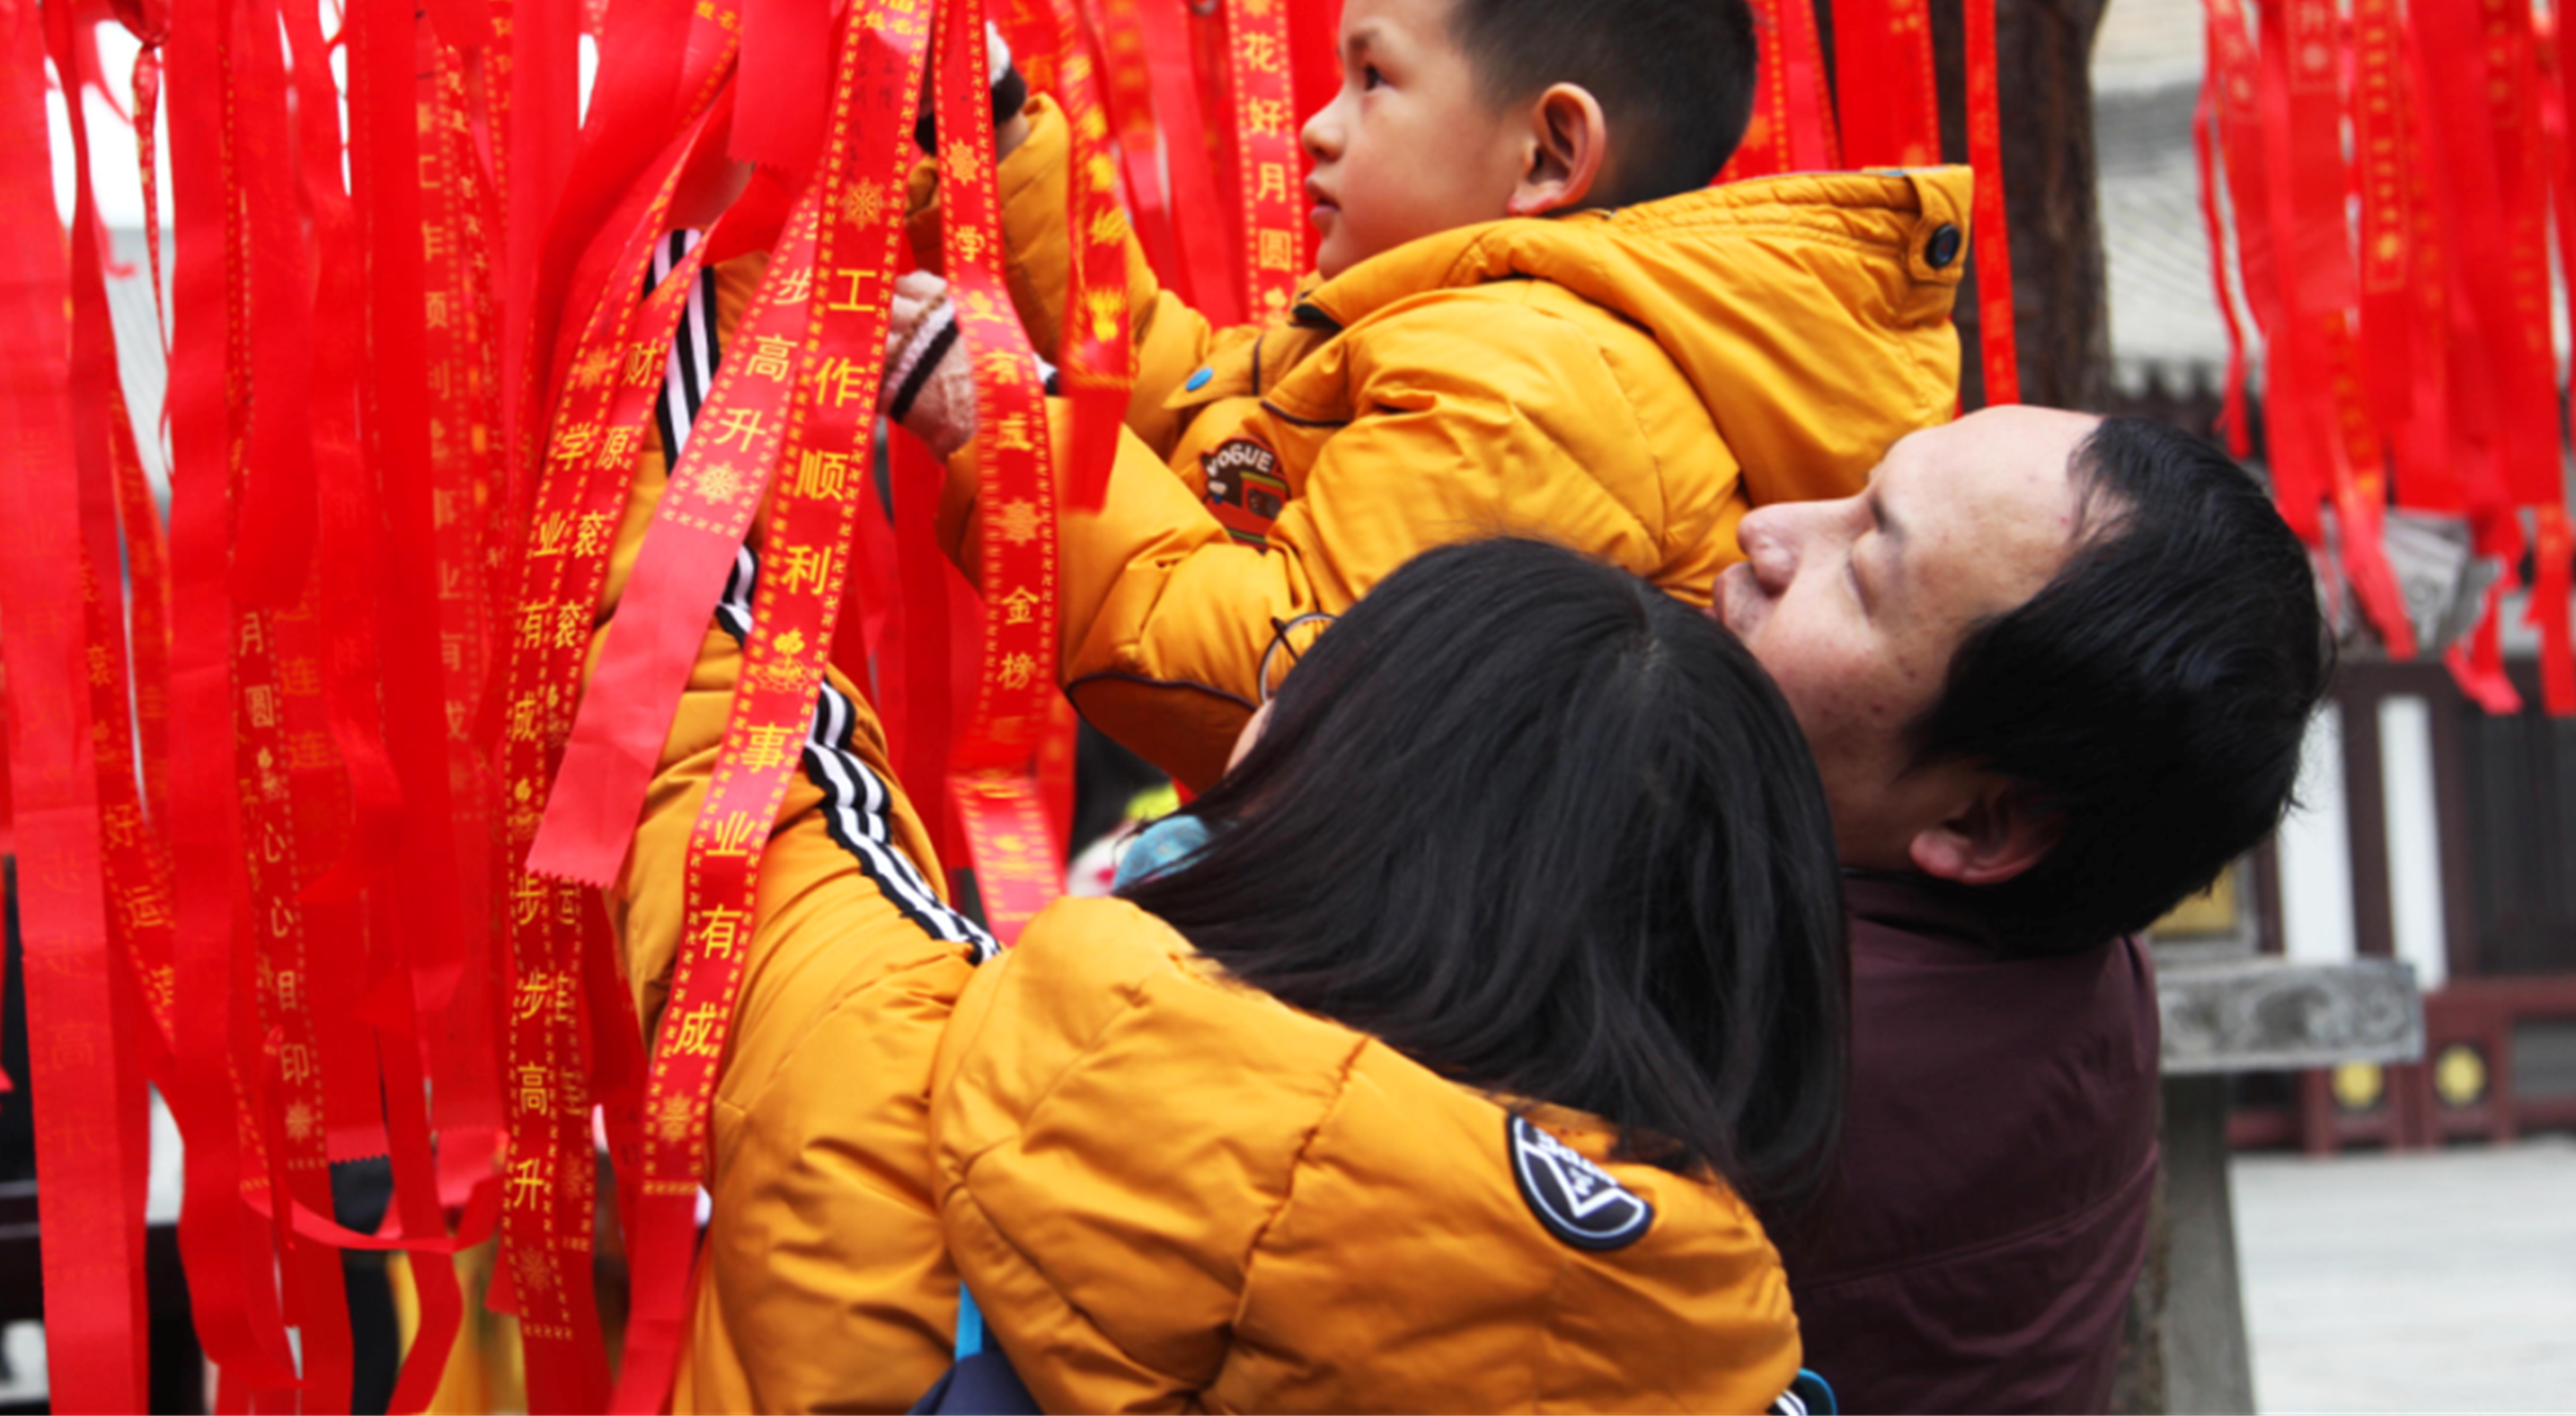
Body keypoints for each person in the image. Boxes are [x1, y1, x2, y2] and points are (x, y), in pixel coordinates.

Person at [693, 537, 1851, 1412]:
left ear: (1327, 789)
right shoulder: (1726, 1368)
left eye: (1308, 693)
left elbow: (720, 716)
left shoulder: (886, 1058)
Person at [889, 0, 1971, 790]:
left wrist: (1009, 424)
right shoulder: (1463, 328)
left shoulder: (1534, 387)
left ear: (1546, 155)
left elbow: (1276, 685)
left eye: (1374, 79)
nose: (1315, 126)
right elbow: (1193, 422)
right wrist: (990, 131)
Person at [1713, 404, 2332, 1413]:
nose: (1771, 530)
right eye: (1860, 493)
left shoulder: (1735, 1037)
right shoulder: (2073, 945)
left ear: (1979, 825)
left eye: (1863, 575)